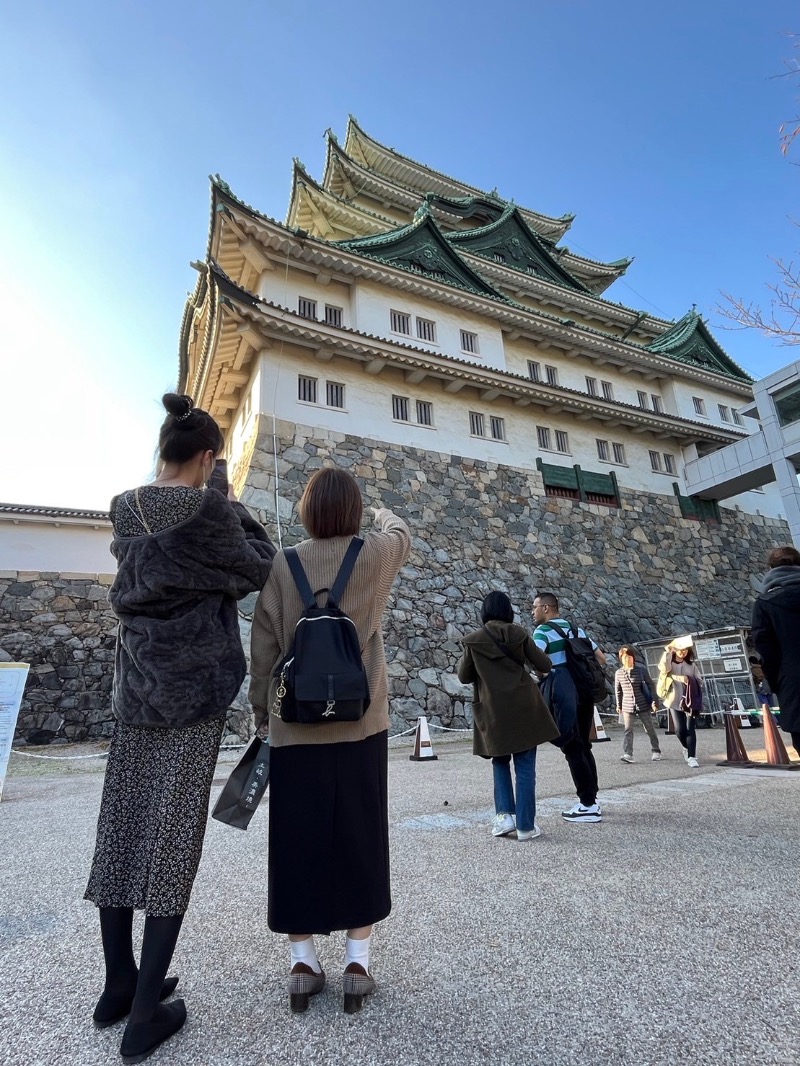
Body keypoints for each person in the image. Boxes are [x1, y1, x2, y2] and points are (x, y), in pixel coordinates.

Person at [85, 393, 276, 1063]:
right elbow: (260, 562)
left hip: (135, 689)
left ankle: (118, 983)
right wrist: (225, 491)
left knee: (123, 828)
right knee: (172, 837)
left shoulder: (122, 507)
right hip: (192, 692)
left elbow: (165, 562)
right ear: (204, 457)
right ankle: (143, 1016)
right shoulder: (210, 508)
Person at [249, 467, 411, 1015]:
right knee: (360, 832)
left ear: (306, 511)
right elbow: (403, 534)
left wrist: (260, 714)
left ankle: (302, 963)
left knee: (296, 838)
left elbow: (265, 649)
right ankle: (357, 962)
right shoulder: (373, 556)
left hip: (295, 727)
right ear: (351, 511)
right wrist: (379, 514)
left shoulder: (281, 562)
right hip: (362, 722)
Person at [457, 591, 558, 842]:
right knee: (525, 767)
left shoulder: (474, 641)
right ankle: (525, 826)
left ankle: (504, 817)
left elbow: (463, 676)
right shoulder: (519, 633)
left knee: (499, 761)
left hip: (493, 711)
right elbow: (543, 664)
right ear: (508, 610)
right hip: (524, 706)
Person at [531, 592, 606, 823]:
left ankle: (587, 805)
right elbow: (601, 658)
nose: (532, 612)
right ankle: (592, 798)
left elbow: (534, 656)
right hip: (584, 691)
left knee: (571, 746)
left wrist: (545, 672)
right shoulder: (577, 630)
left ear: (546, 608)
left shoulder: (543, 631)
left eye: (534, 607)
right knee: (584, 744)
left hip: (564, 693)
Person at [751, 545, 800, 757]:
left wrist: (775, 681)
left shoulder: (765, 603)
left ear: (770, 570)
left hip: (794, 685)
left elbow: (766, 650)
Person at [657, 637, 703, 768]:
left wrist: (690, 680)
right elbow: (663, 668)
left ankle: (692, 756)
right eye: (680, 650)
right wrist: (667, 651)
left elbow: (700, 681)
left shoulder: (692, 665)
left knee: (690, 729)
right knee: (679, 730)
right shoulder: (669, 663)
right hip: (674, 700)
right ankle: (686, 747)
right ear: (675, 650)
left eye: (685, 650)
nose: (683, 652)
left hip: (691, 701)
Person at [615, 645, 662, 763]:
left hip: (642, 703)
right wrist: (618, 705)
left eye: (629, 657)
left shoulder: (641, 670)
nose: (627, 659)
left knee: (649, 728)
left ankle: (656, 750)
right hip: (627, 705)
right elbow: (618, 690)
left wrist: (654, 701)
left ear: (633, 657)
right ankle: (627, 754)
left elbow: (651, 685)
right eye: (625, 657)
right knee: (628, 730)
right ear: (621, 659)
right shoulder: (619, 673)